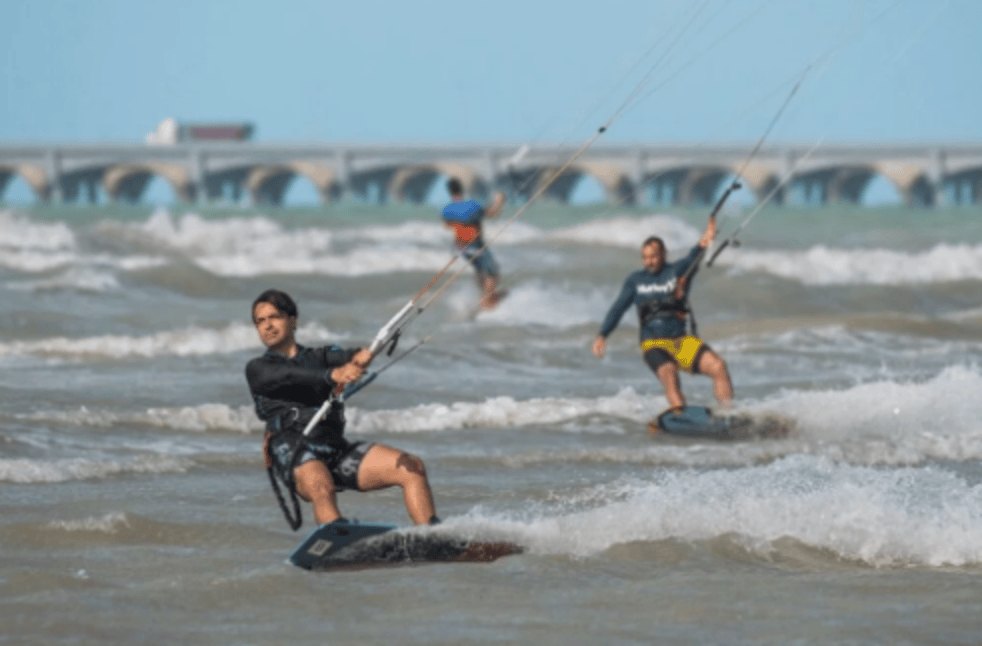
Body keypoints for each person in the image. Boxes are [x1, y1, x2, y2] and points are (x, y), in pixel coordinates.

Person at [245, 288, 439, 529]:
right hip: (292, 449)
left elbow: (347, 355)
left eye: (274, 317)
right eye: (260, 321)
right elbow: (289, 375)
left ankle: (431, 535)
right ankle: (337, 540)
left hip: (334, 449)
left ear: (292, 320)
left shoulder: (322, 356)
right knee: (320, 485)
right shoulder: (258, 368)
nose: (267, 326)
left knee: (411, 466)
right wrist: (332, 375)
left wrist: (360, 357)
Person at [592, 219, 733, 412]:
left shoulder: (676, 272)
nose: (649, 261)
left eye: (653, 256)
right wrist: (603, 335)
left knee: (718, 366)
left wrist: (707, 237)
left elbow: (695, 254)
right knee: (669, 372)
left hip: (681, 341)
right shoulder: (635, 281)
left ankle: (728, 415)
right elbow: (618, 308)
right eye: (645, 257)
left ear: (664, 255)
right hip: (653, 344)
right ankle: (680, 416)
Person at [441, 177, 507, 310]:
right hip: (475, 245)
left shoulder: (446, 210)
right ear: (462, 189)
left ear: (450, 192)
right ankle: (486, 300)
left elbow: (447, 226)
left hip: (460, 246)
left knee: (480, 269)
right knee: (492, 272)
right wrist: (499, 201)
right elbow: (492, 214)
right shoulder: (471, 206)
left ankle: (486, 295)